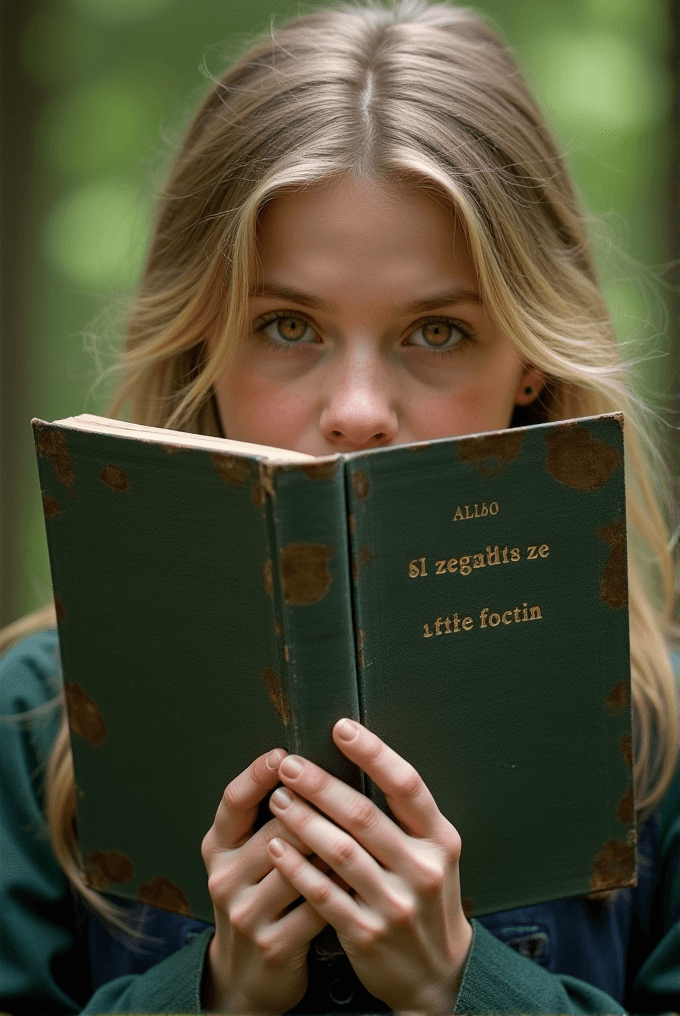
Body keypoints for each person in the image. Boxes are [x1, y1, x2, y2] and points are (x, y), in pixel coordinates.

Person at [1, 1, 678, 1012]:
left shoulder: (661, 738)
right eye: (286, 323)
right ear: (204, 345)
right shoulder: (33, 716)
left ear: (530, 360)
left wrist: (462, 982)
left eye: (436, 332)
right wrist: (217, 990)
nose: (357, 411)